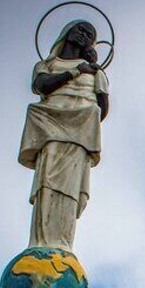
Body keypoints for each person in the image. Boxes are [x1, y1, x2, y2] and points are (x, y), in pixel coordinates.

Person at [19, 20, 110, 252]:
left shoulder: (96, 72)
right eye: (80, 29)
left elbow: (102, 106)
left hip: (79, 131)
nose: (83, 35)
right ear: (66, 32)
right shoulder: (48, 64)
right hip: (50, 124)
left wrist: (94, 68)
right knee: (47, 182)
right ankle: (41, 243)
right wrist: (77, 71)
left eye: (89, 34)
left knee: (70, 186)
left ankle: (63, 244)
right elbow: (42, 85)